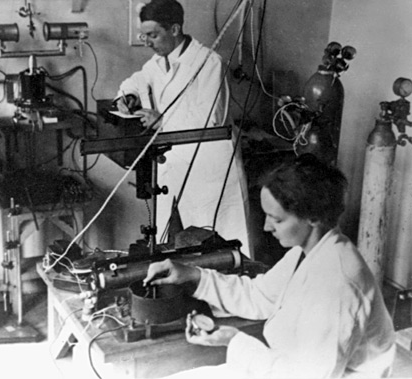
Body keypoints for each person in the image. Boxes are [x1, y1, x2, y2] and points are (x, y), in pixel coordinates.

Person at [144, 154, 396, 378]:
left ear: (313, 217)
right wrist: (191, 275)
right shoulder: (308, 251)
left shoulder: (338, 286)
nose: (266, 227)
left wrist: (234, 341)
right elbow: (260, 296)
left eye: (276, 219)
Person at [116, 0, 250, 255]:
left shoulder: (209, 62)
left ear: (175, 29)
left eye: (153, 35)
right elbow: (134, 82)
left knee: (221, 246)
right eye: (144, 36)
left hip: (208, 167)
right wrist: (128, 96)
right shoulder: (157, 63)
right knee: (174, 243)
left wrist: (163, 120)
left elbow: (213, 119)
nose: (147, 42)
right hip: (174, 162)